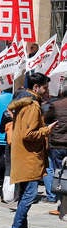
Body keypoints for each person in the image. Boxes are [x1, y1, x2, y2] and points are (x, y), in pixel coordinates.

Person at [6, 72, 55, 228]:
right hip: (29, 157)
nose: (46, 90)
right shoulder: (33, 106)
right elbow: (29, 135)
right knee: (30, 195)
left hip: (23, 155)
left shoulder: (23, 103)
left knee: (25, 194)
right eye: (45, 87)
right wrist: (46, 130)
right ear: (36, 88)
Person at [45, 81, 67, 214]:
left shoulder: (55, 105)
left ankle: (62, 205)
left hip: (58, 144)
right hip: (60, 144)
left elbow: (47, 119)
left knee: (59, 174)